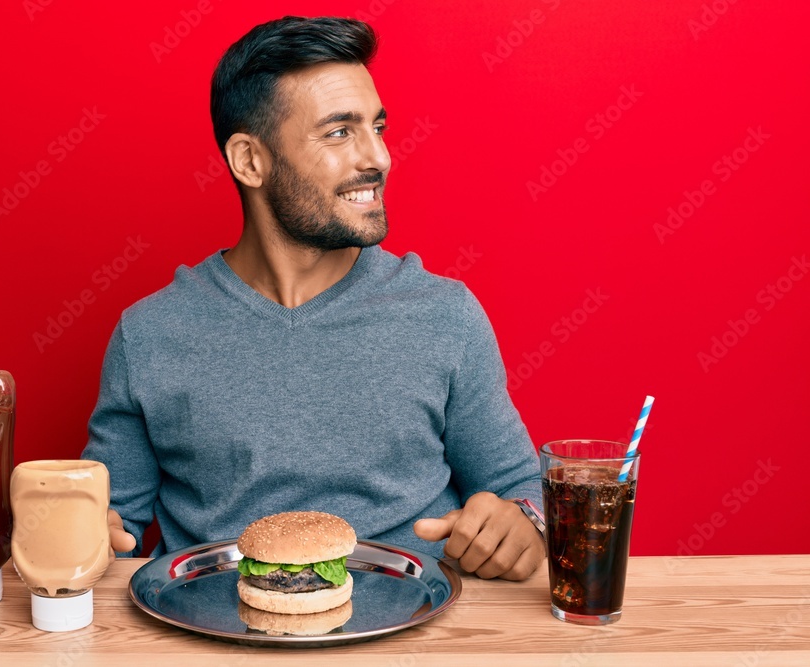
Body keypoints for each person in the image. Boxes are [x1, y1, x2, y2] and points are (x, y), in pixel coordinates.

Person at [82, 16, 545, 581]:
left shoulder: (445, 315)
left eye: (378, 126)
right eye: (339, 132)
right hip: (217, 634)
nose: (378, 157)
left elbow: (525, 495)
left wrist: (522, 525)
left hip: (414, 635)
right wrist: (85, 533)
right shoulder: (149, 334)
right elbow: (109, 530)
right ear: (250, 161)